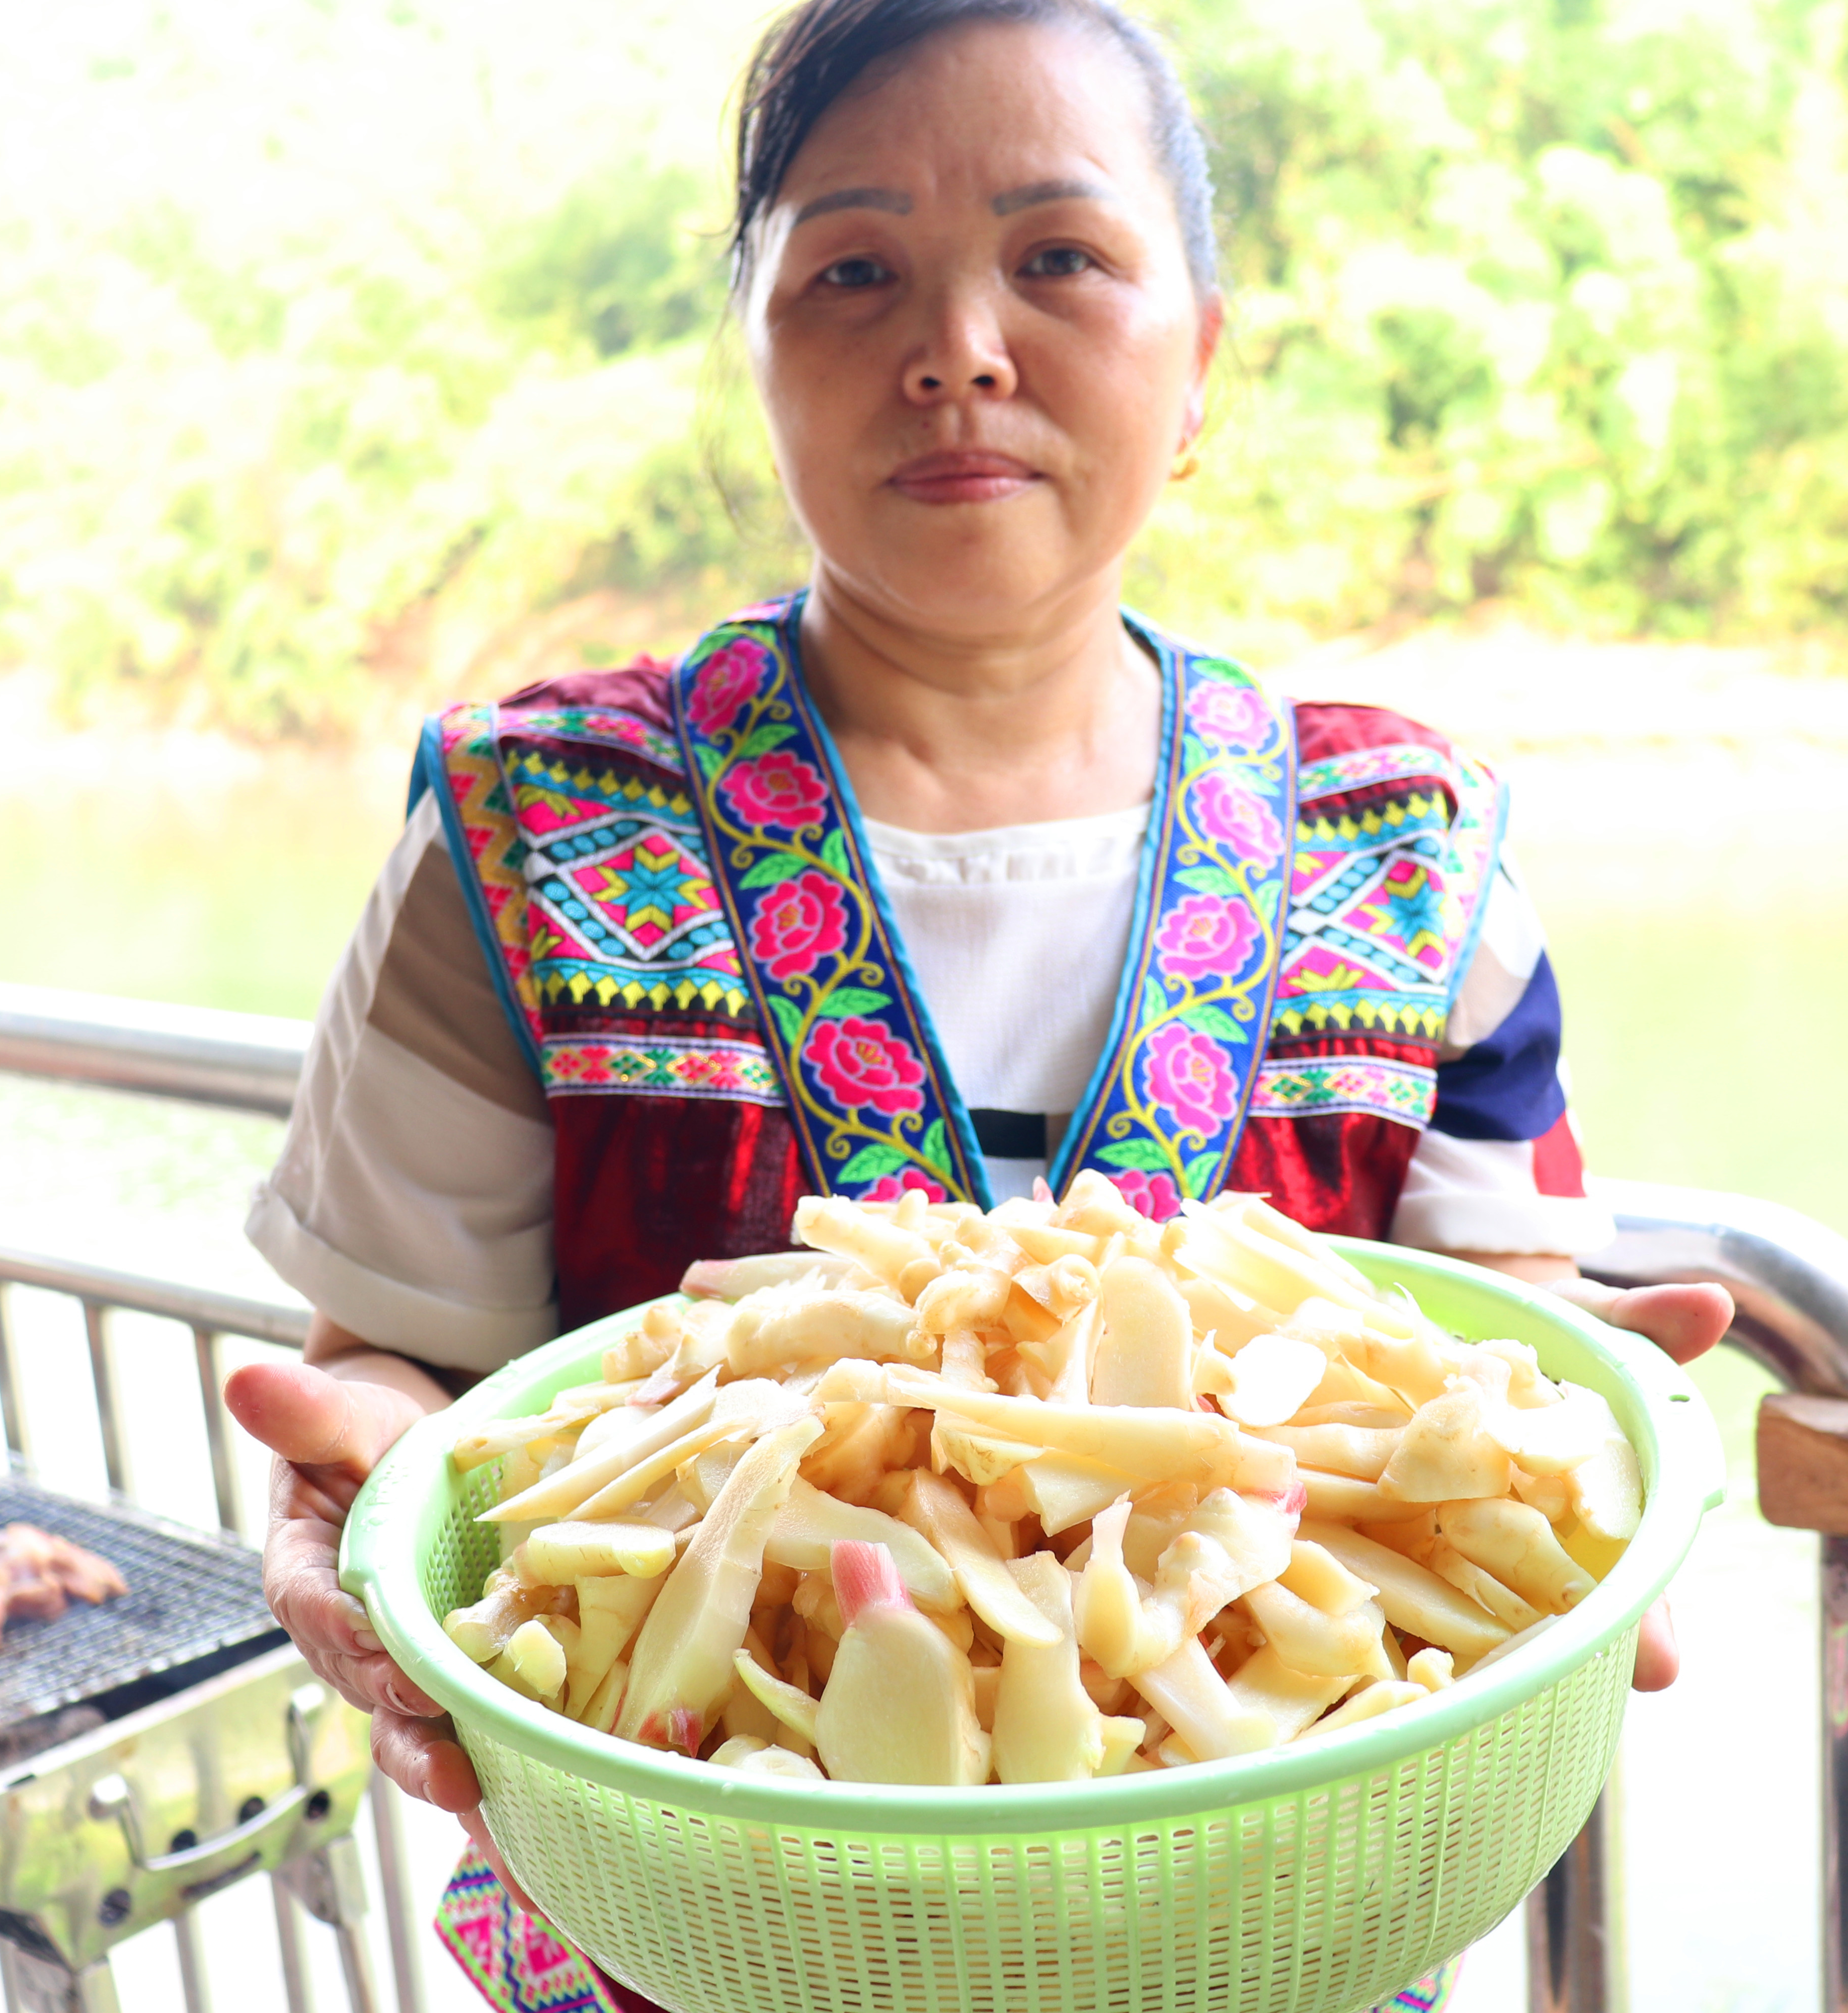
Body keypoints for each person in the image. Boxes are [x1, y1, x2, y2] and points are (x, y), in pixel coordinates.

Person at [225, 3, 1733, 2007]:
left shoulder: (1411, 854)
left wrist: (1578, 1455)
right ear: (755, 351)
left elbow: (1496, 1370)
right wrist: (363, 1479)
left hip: (1272, 1944)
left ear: (1202, 358)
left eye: (1061, 257)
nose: (958, 349)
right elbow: (414, 1385)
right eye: (855, 271)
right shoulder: (528, 835)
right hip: (681, 1948)